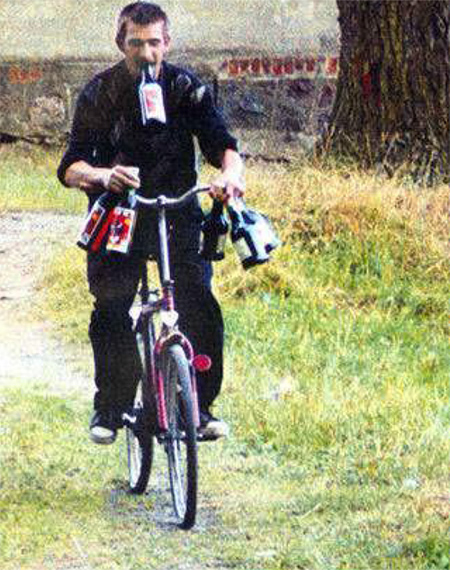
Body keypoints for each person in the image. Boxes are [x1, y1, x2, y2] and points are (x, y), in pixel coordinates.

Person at [57, 1, 244, 444]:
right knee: (111, 305)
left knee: (198, 299)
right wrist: (103, 176)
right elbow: (70, 167)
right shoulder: (99, 93)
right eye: (136, 43)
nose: (146, 53)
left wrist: (230, 176)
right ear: (120, 43)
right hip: (118, 214)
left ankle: (198, 407)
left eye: (154, 43)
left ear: (168, 43)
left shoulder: (185, 88)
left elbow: (223, 146)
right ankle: (112, 407)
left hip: (176, 209)